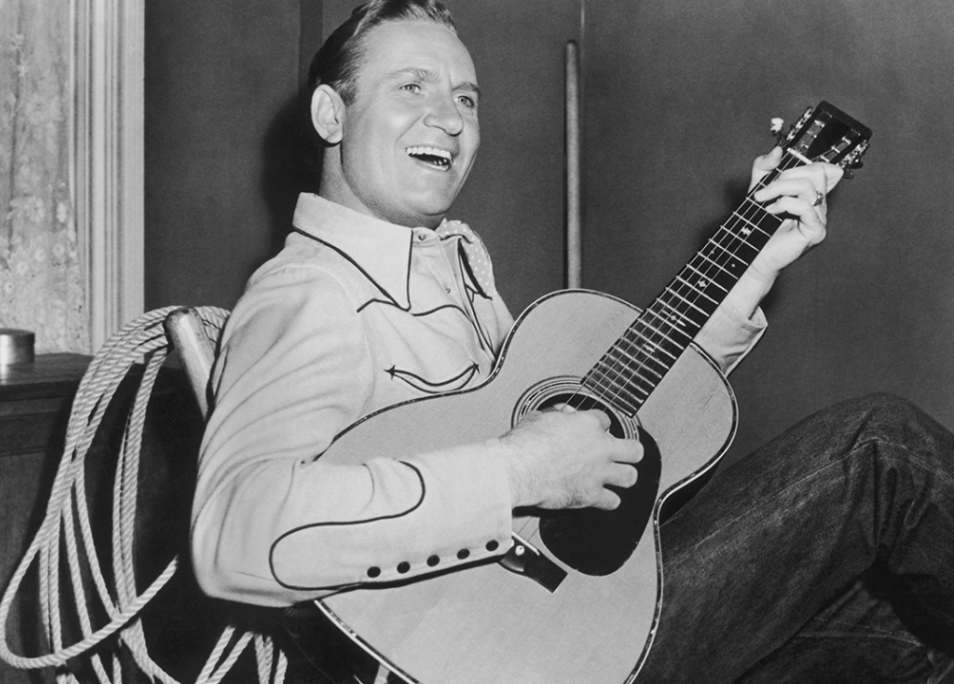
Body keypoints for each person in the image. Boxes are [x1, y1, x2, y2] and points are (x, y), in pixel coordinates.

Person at [190, 1, 954, 681]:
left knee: (899, 630)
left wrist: (751, 268)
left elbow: (608, 416)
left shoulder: (451, 265)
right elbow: (236, 535)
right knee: (883, 452)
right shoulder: (309, 294)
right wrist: (524, 469)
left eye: (466, 97)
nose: (451, 119)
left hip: (582, 623)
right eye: (412, 87)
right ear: (331, 115)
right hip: (506, 653)